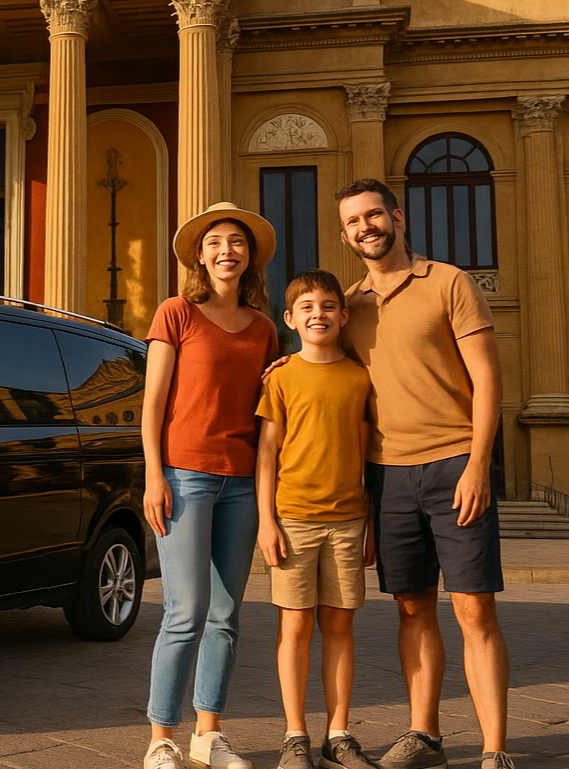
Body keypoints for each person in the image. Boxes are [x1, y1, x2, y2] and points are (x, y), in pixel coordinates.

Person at [336, 178, 512, 769]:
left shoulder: (450, 282)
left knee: (474, 609)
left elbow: (487, 377)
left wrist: (479, 465)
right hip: (386, 477)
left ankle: (494, 751)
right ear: (345, 234)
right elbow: (327, 373)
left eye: (374, 215)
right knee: (412, 608)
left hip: (454, 465)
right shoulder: (349, 304)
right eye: (354, 221)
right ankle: (425, 735)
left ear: (398, 216)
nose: (367, 226)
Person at [141, 202, 280, 769]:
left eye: (238, 243)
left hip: (243, 481)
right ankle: (160, 740)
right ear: (200, 255)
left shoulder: (265, 328)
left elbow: (268, 405)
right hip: (184, 475)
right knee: (185, 611)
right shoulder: (177, 313)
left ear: (250, 258)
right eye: (217, 242)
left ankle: (209, 734)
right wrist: (153, 474)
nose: (228, 251)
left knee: (226, 615)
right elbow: (152, 402)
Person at [254, 269, 380, 769]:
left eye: (328, 306)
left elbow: (371, 452)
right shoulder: (281, 377)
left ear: (344, 316)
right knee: (294, 630)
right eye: (307, 308)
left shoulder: (359, 377)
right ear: (290, 319)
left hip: (349, 521)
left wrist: (370, 518)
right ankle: (294, 735)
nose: (318, 315)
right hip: (293, 521)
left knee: (341, 628)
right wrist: (267, 520)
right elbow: (266, 455)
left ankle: (340, 733)